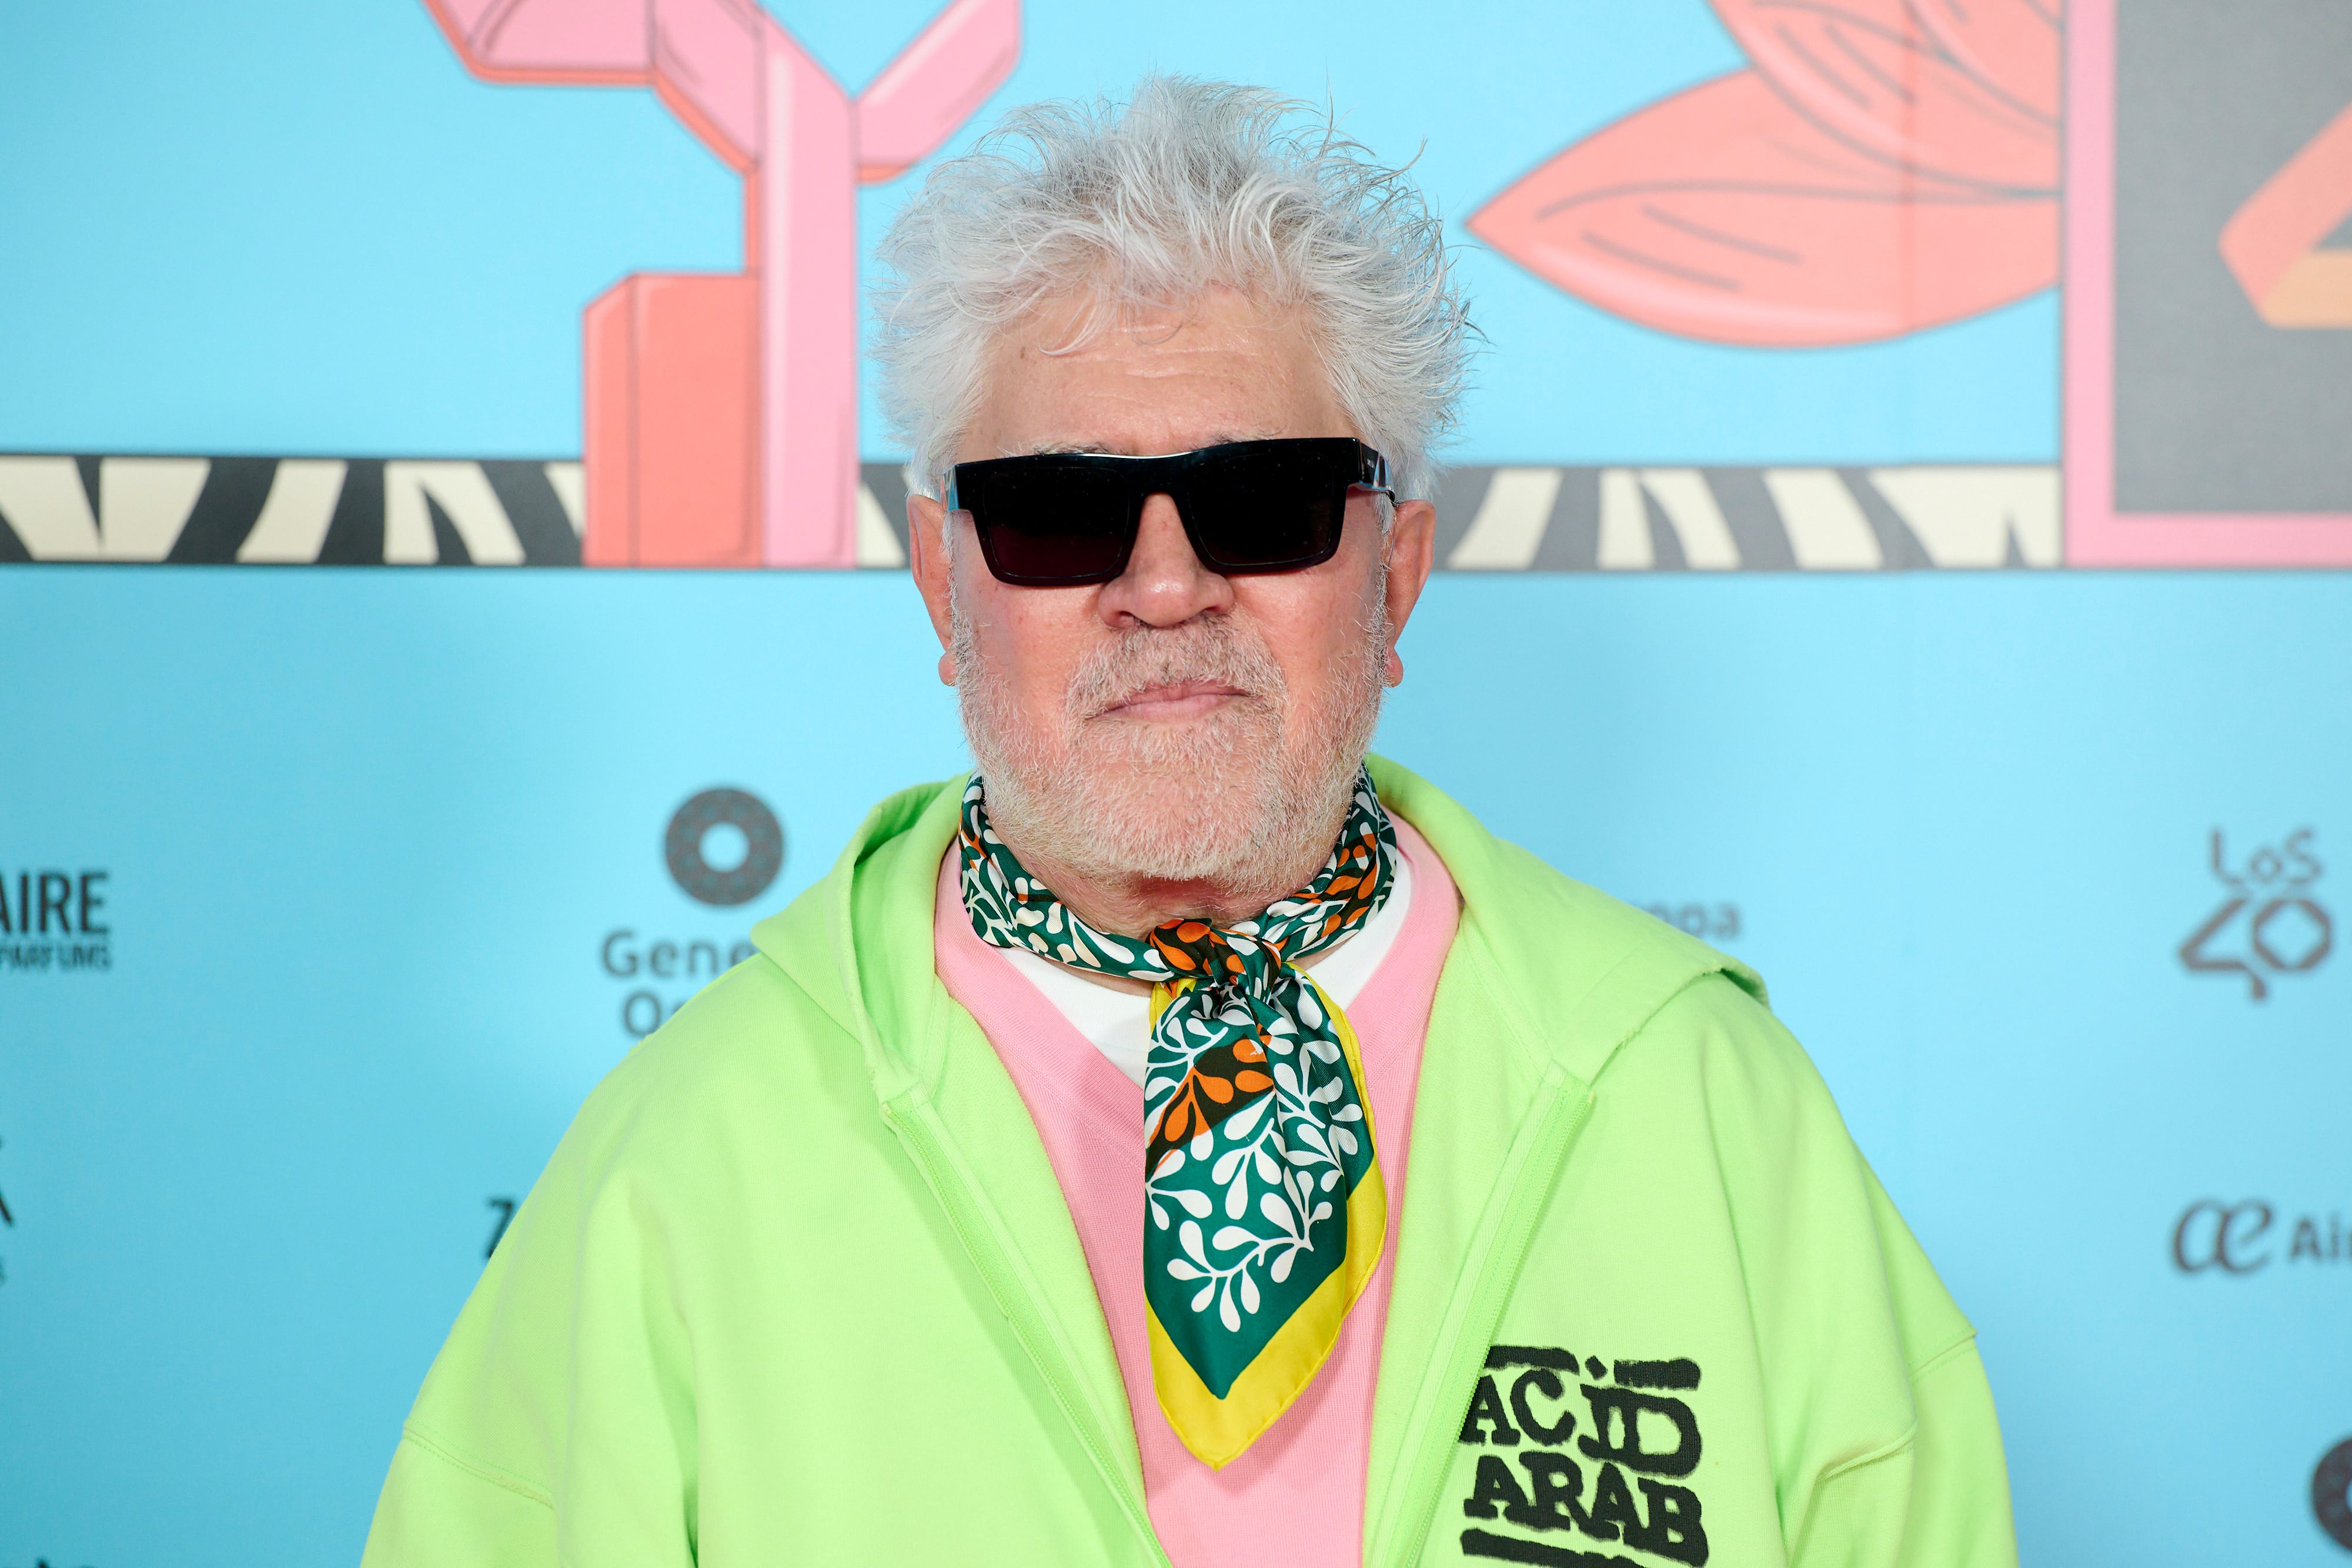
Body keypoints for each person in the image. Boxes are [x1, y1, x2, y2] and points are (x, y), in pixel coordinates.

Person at [362, 76, 2017, 1568]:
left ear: (1398, 576)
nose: (1166, 584)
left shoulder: (1709, 1105)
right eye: (1059, 514)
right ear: (945, 585)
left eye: (1266, 500)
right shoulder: (683, 1163)